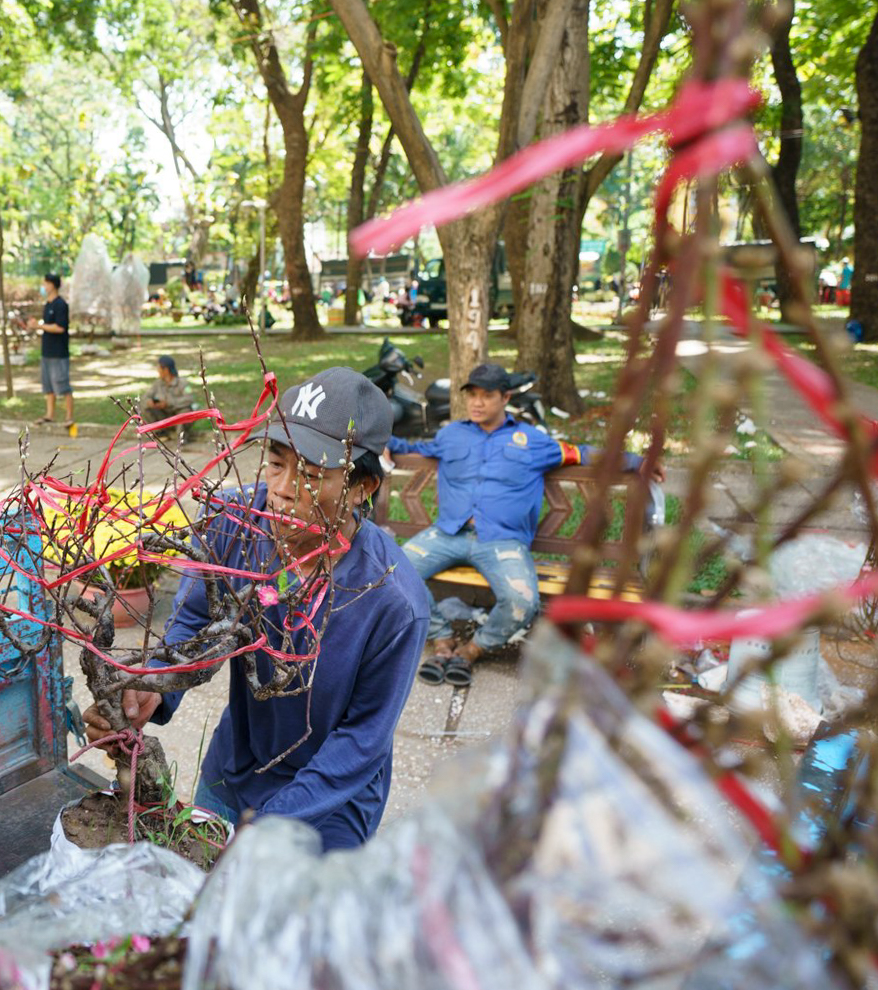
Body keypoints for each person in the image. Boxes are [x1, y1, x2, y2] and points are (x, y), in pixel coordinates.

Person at [83, 368, 431, 851]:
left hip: (330, 803)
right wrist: (154, 687)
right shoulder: (233, 527)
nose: (282, 489)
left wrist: (270, 824)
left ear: (361, 488)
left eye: (311, 475)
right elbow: (194, 623)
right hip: (235, 770)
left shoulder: (392, 599)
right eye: (275, 463)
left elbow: (361, 741)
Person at [388, 362, 659, 687]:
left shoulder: (533, 442)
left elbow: (584, 454)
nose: (476, 402)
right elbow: (413, 449)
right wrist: (384, 442)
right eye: (472, 394)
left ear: (506, 397)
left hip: (501, 542)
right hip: (448, 532)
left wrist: (638, 461)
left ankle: (471, 651)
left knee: (522, 602)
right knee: (393, 574)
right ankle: (442, 640)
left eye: (486, 395)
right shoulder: (451, 435)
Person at [37, 271, 73, 427]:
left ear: (52, 285)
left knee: (63, 385)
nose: (43, 286)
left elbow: (60, 328)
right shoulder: (48, 305)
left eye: (45, 283)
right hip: (47, 351)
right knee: (48, 385)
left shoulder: (61, 304)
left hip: (59, 353)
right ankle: (49, 415)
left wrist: (39, 325)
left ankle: (69, 417)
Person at [141, 354, 196, 421]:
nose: (158, 370)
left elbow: (189, 399)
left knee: (186, 411)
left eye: (159, 368)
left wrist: (168, 403)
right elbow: (145, 397)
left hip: (178, 415)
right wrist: (149, 402)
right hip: (163, 415)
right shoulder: (157, 383)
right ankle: (159, 431)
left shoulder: (183, 383)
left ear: (166, 370)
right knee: (146, 407)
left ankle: (180, 431)